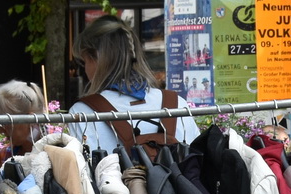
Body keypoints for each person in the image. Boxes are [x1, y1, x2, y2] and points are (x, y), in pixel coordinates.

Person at [67, 15, 200, 155]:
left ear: (95, 58)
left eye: (84, 62)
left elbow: (82, 172)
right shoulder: (177, 104)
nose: (85, 68)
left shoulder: (82, 113)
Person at [0, 79, 47, 162]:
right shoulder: (4, 155)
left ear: (30, 120)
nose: (0, 131)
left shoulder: (59, 151)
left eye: (5, 123)